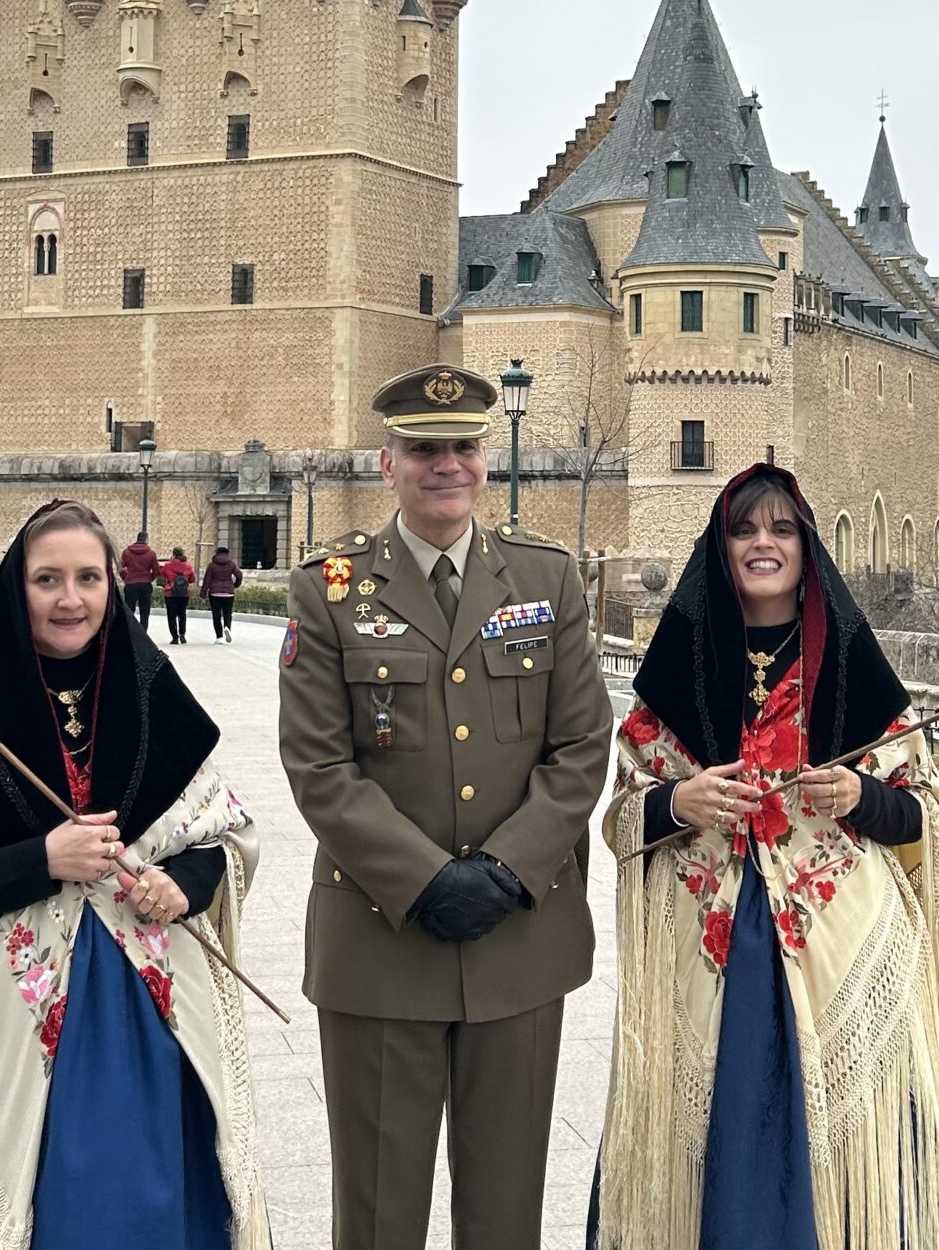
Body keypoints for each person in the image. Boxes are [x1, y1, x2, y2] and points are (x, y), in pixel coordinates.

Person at [588, 464, 939, 1250]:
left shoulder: (853, 667)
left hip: (846, 946)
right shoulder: (676, 670)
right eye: (745, 530)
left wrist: (857, 796)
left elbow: (923, 815)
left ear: (806, 547)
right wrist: (683, 801)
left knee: (864, 1151)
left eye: (781, 529)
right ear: (720, 546)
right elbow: (621, 819)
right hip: (711, 961)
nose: (763, 544)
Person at [0, 501, 268, 1250]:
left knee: (145, 1205)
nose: (70, 599)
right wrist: (40, 861)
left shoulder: (153, 696)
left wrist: (184, 884)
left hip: (144, 1016)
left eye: (87, 577)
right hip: (8, 1022)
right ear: (17, 588)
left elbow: (227, 835)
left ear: (114, 585)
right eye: (48, 579)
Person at [277, 364, 613, 1250]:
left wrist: (507, 868)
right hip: (382, 944)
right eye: (425, 450)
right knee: (379, 1217)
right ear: (387, 463)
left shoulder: (549, 578)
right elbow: (318, 764)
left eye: (463, 447)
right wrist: (426, 881)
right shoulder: (330, 589)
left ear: (485, 462)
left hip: (518, 940)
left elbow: (581, 746)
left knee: (505, 1217)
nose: (447, 466)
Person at [119, 529, 159, 630]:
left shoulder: (126, 552)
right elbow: (156, 570)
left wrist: (126, 578)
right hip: (145, 584)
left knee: (129, 611)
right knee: (144, 612)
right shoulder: (151, 554)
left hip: (131, 583)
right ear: (146, 539)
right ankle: (143, 634)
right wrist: (149, 578)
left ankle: (130, 633)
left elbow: (121, 569)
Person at [202, 546, 243, 643]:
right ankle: (227, 627)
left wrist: (203, 594)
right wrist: (235, 585)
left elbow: (207, 580)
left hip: (215, 593)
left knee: (216, 615)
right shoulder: (231, 564)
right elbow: (239, 575)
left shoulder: (212, 565)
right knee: (227, 613)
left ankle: (219, 637)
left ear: (216, 553)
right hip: (229, 592)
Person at [159, 546, 197, 645]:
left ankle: (174, 637)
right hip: (184, 594)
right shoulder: (188, 566)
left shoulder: (167, 565)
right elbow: (192, 579)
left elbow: (161, 577)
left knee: (171, 616)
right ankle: (182, 634)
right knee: (182, 614)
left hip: (170, 593)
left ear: (173, 554)